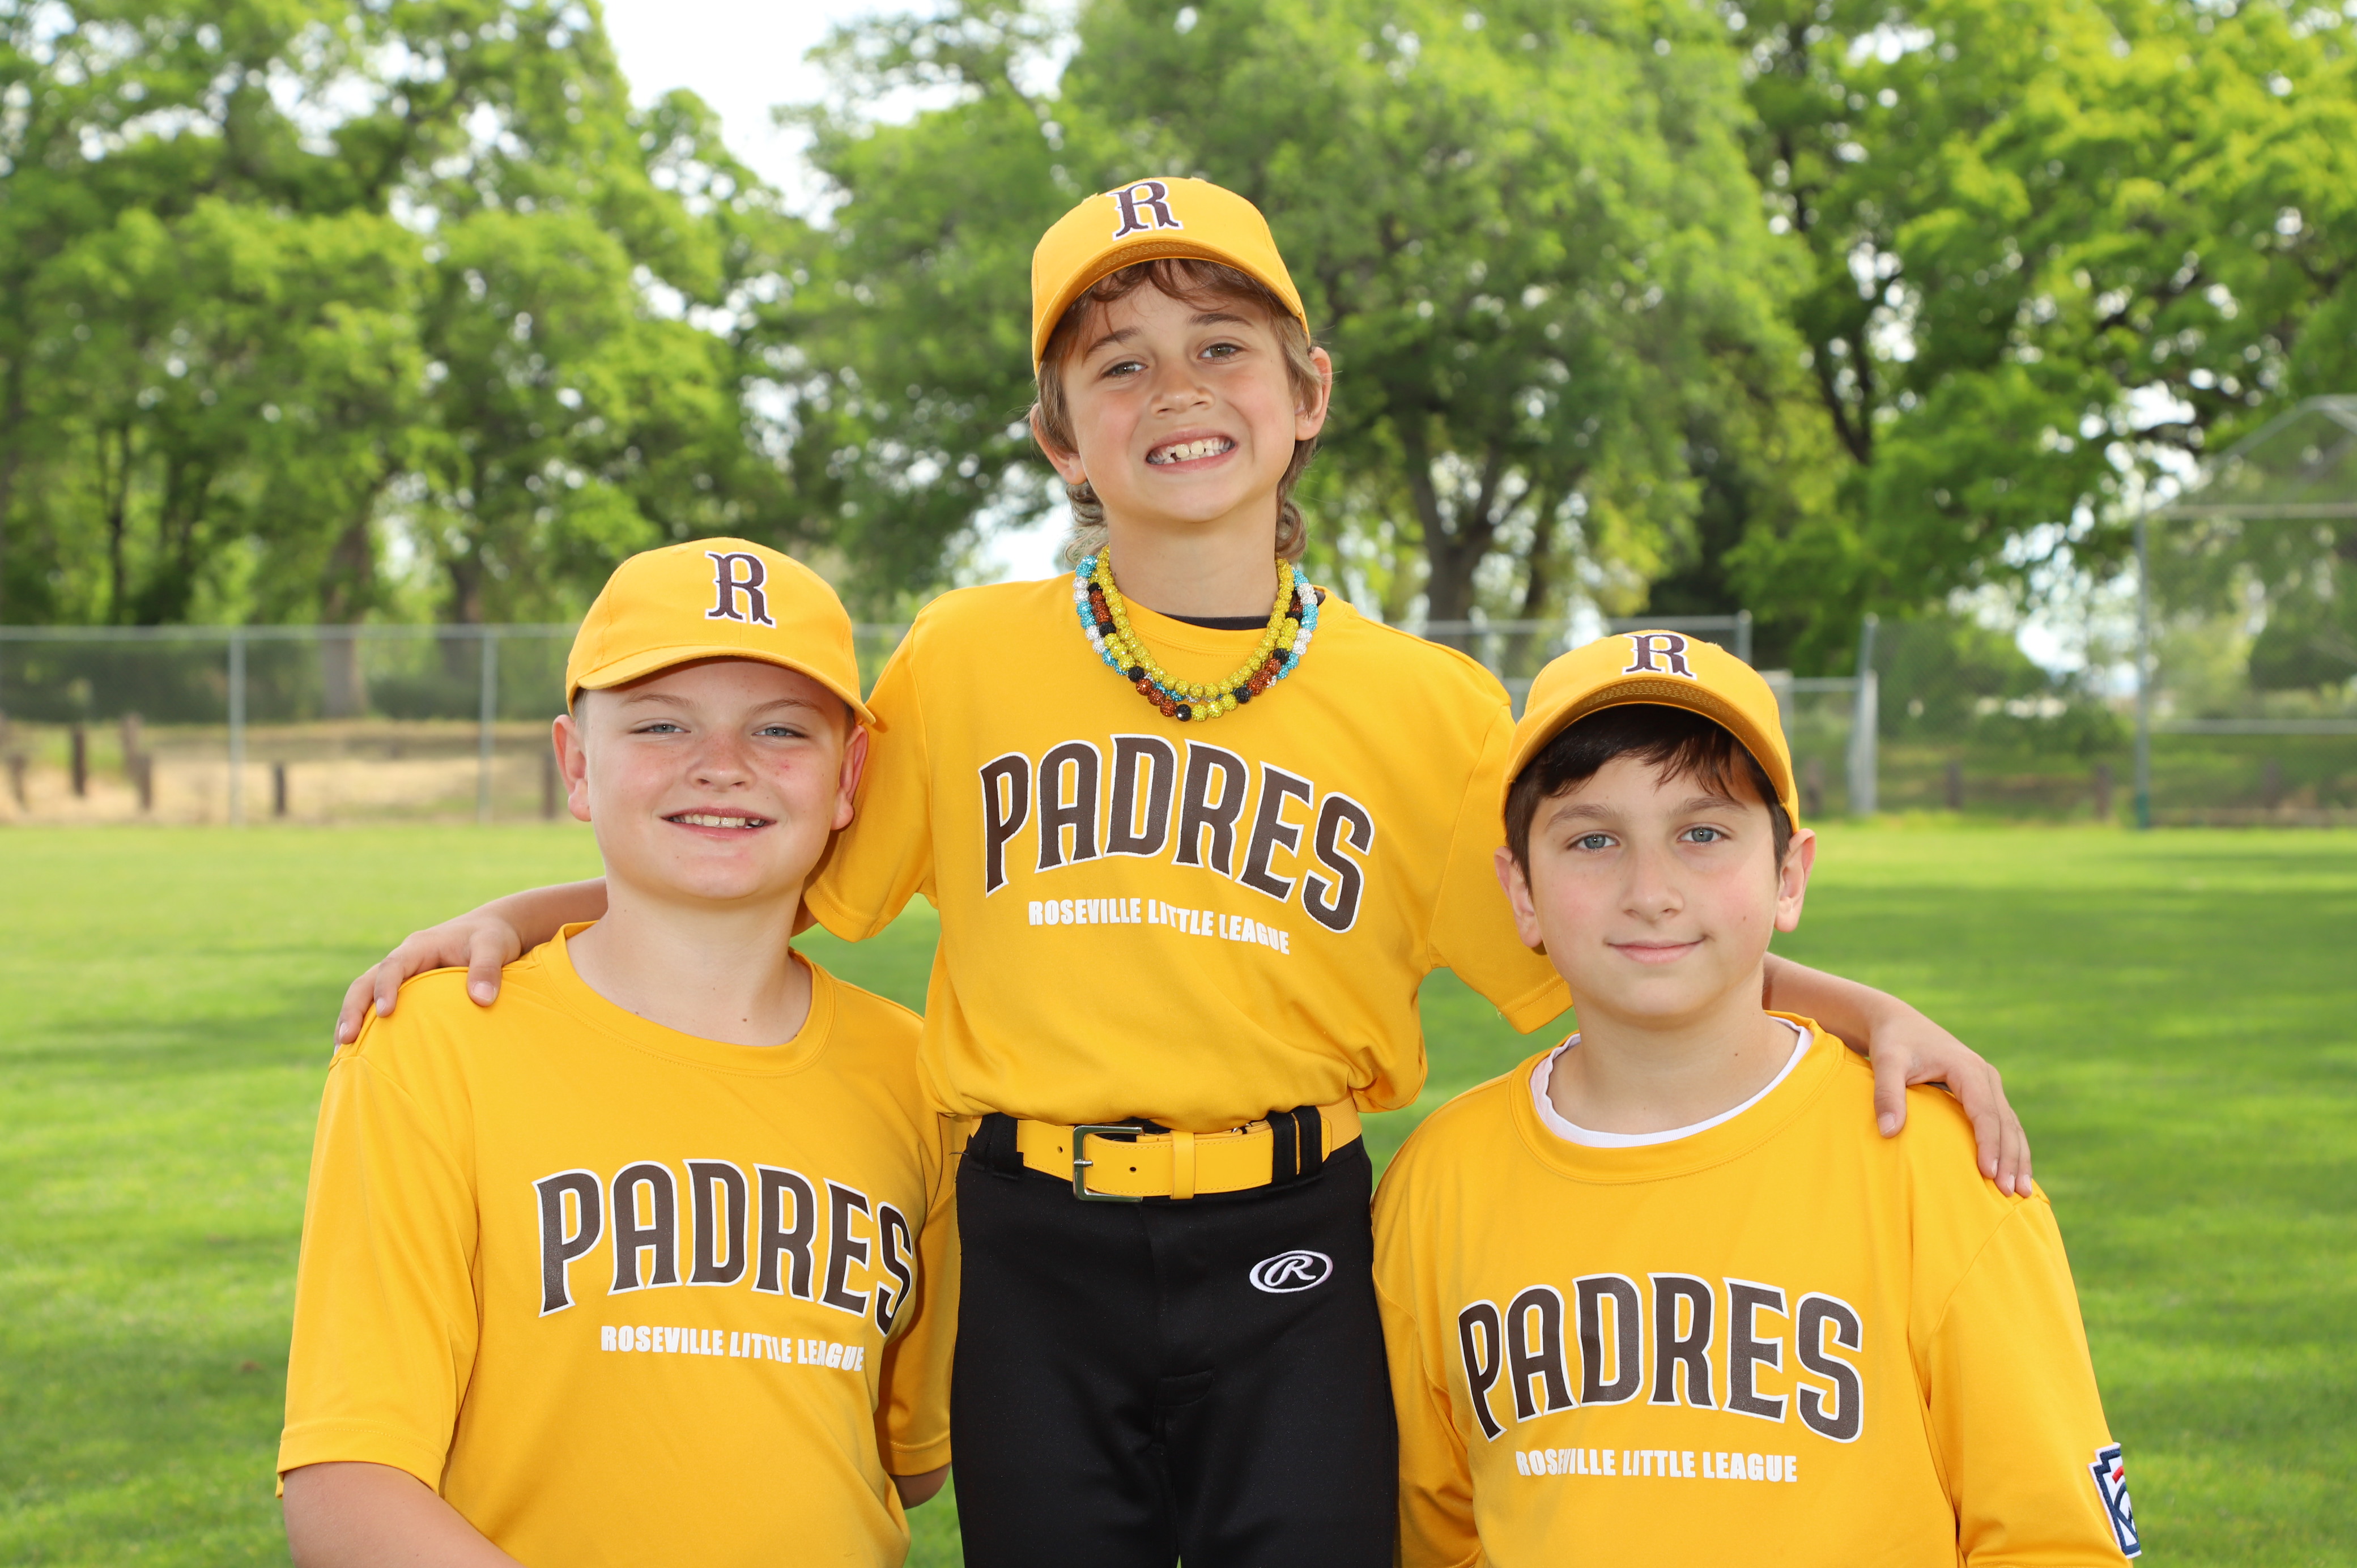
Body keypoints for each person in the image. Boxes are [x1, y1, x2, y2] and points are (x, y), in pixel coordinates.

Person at [327, 180, 2030, 1567]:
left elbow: (1616, 935)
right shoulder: (966, 657)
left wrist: (1852, 1006)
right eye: (1119, 364)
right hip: (1032, 1234)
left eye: (1223, 346)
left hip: (1296, 1233)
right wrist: (528, 915)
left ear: (1309, 394)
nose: (1178, 390)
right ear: (1058, 435)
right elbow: (746, 851)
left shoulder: (1428, 707)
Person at [1373, 630, 2137, 1565]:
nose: (1651, 891)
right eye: (1592, 840)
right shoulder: (1439, 1184)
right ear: (1520, 891)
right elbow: (1436, 1533)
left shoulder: (1934, 1167)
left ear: (1789, 876)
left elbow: (2053, 1539)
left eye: (1702, 834)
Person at [279, 540, 958, 1567]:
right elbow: (346, 1487)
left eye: (781, 728)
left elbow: (905, 1459)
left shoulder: (921, 1077)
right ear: (577, 764)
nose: (721, 763)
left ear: (849, 776)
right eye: (660, 724)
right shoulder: (437, 1044)